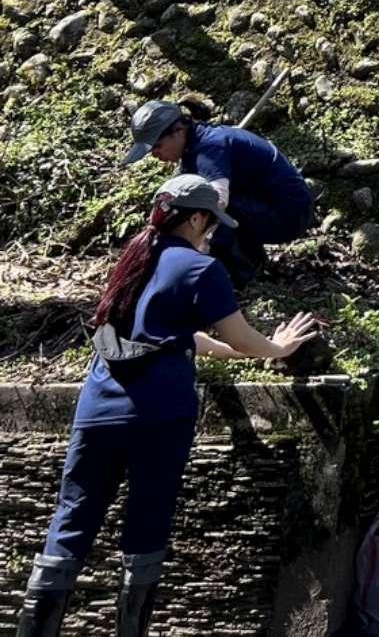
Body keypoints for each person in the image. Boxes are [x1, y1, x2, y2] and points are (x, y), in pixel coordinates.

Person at [15, 174, 320, 637]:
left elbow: (164, 335)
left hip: (97, 408)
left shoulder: (134, 259)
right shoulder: (200, 269)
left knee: (72, 519)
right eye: (211, 223)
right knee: (146, 524)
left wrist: (232, 352)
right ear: (196, 218)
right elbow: (238, 334)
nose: (212, 233)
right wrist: (277, 348)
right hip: (157, 414)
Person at [123, 103, 315, 287]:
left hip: (290, 212)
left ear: (178, 130)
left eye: (157, 146)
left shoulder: (209, 148)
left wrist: (197, 246)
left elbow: (218, 202)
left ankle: (236, 276)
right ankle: (250, 262)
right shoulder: (193, 145)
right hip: (265, 204)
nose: (154, 154)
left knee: (208, 208)